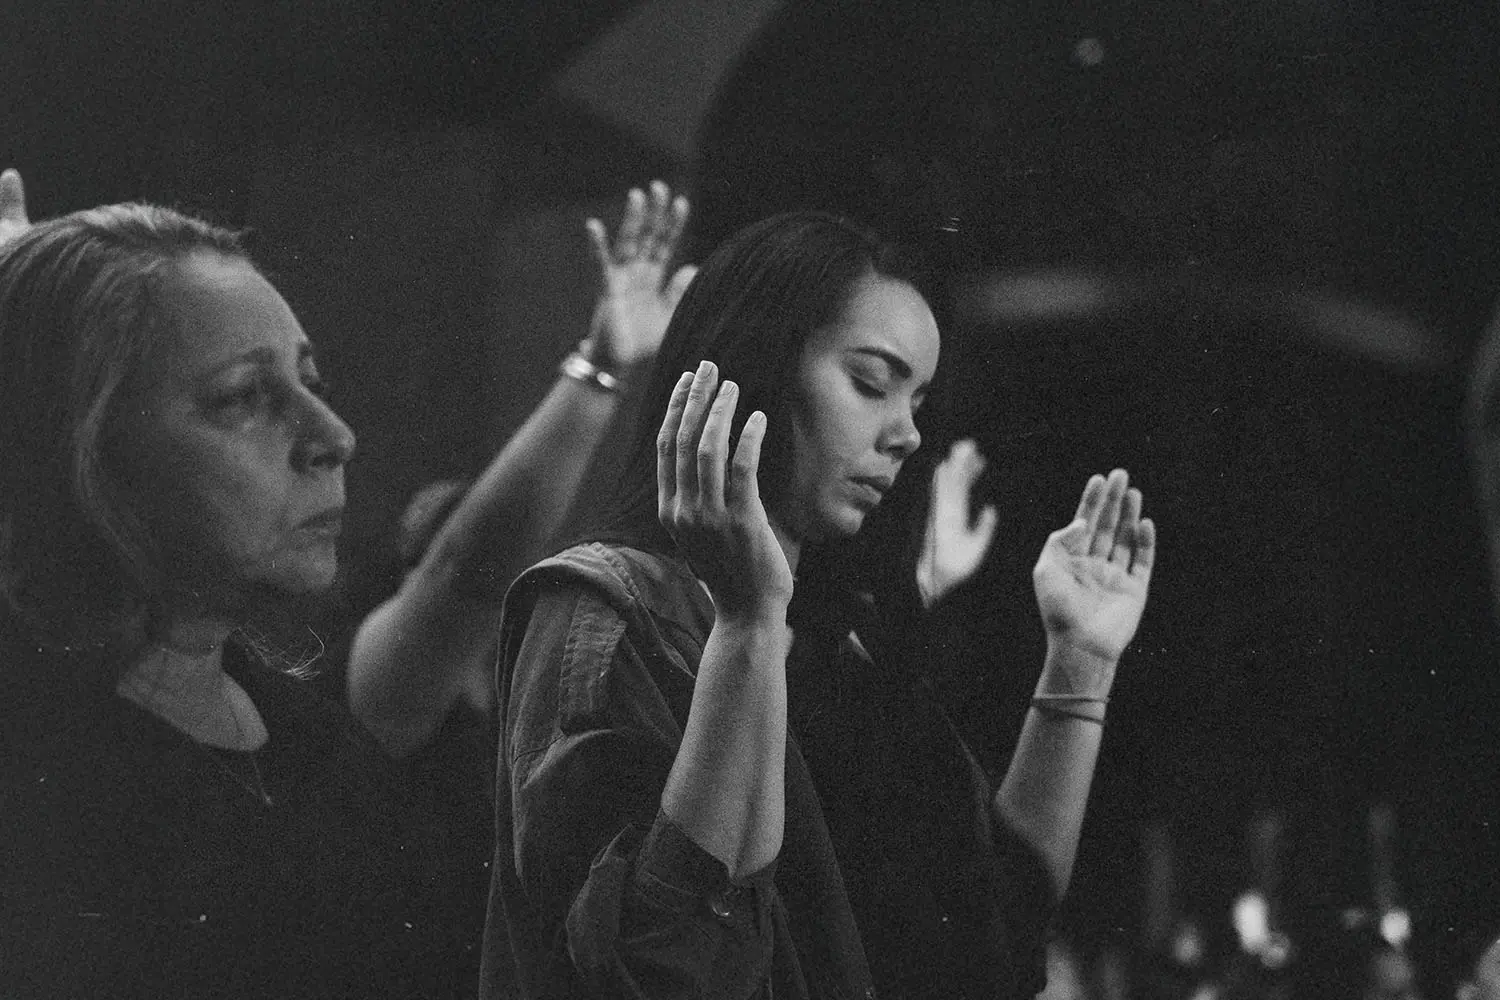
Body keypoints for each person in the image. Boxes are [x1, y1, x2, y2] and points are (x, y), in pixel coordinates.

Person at [0, 174, 690, 997]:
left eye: (310, 382)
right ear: (80, 446)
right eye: (245, 398)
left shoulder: (299, 728)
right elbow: (463, 572)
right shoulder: (53, 803)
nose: (335, 435)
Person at [481, 210, 1157, 999]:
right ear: (756, 368)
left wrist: (1079, 663)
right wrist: (749, 621)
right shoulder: (609, 608)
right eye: (872, 383)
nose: (905, 433)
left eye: (918, 400)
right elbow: (667, 968)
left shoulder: (846, 641)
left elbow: (996, 932)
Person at [347, 181, 696, 754]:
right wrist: (601, 367)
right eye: (432, 546)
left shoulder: (557, 705)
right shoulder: (392, 688)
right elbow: (466, 573)